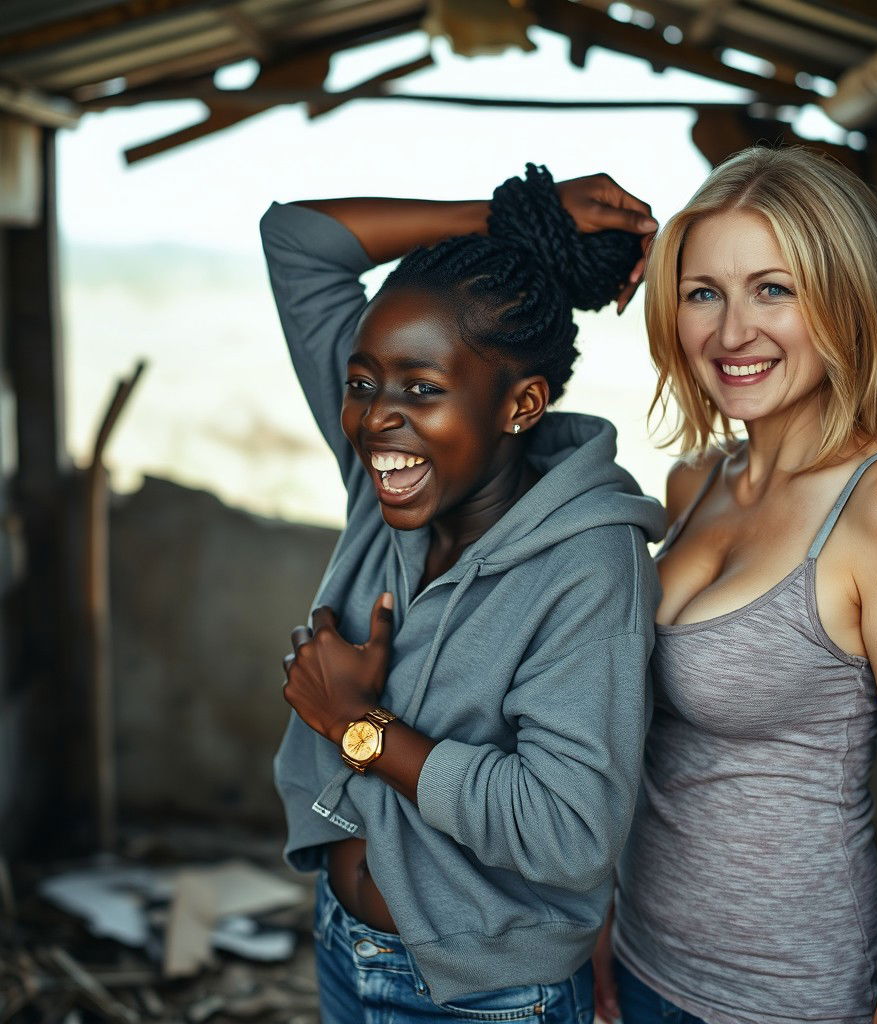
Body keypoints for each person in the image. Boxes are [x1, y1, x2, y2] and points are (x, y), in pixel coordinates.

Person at [259, 164, 663, 1023]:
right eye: (362, 383)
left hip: (485, 998)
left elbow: (568, 830)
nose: (375, 418)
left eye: (421, 390)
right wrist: (519, 216)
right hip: (340, 941)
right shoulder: (386, 478)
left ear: (521, 405)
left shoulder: (589, 563)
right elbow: (298, 241)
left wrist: (357, 729)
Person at [593, 146, 877, 1024]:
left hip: (787, 996)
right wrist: (599, 916)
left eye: (775, 289)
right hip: (639, 958)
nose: (733, 334)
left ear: (843, 299)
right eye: (704, 292)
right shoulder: (695, 486)